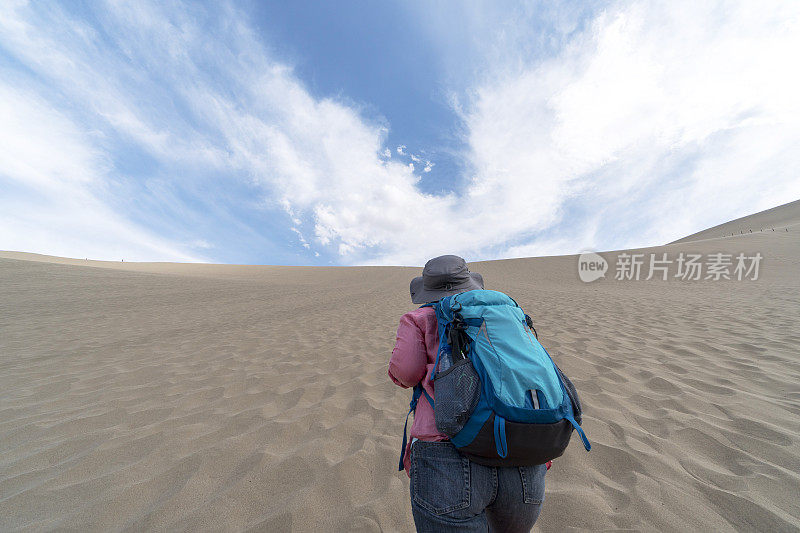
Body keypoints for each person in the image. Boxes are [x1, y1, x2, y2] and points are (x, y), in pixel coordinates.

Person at [389, 255, 548, 532]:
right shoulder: (505, 316)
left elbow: (406, 373)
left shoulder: (419, 319)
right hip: (521, 451)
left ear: (427, 288)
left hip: (445, 457)